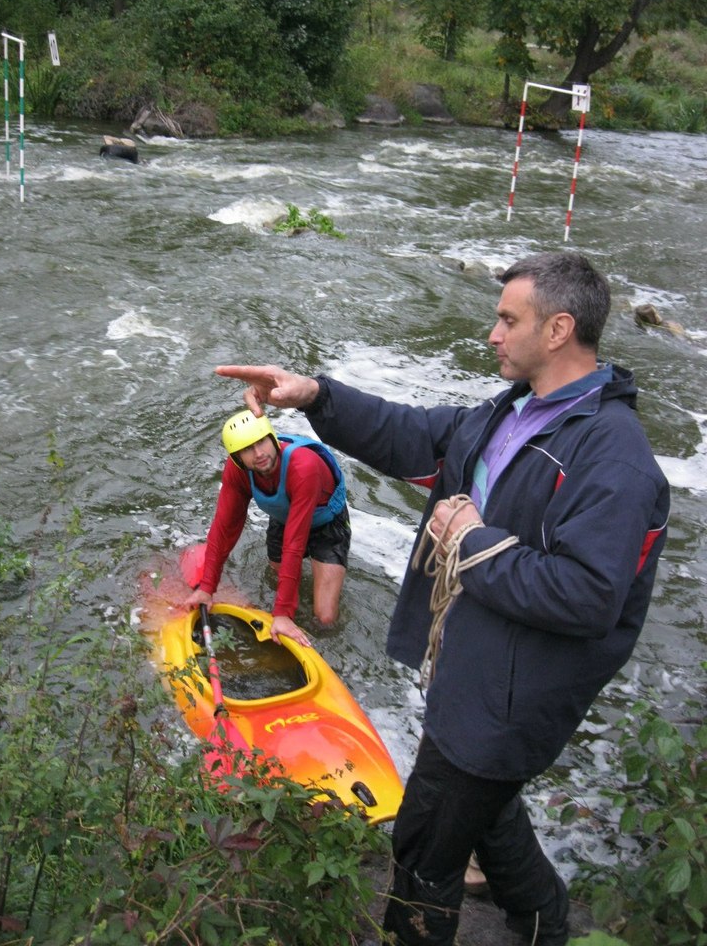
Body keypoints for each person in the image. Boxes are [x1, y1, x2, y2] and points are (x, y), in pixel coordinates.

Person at [212, 250, 670, 946]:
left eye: (507, 319)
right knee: (489, 815)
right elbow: (415, 434)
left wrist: (475, 543)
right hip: (474, 667)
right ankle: (546, 927)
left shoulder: (615, 458)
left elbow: (588, 597)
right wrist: (316, 396)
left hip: (507, 701)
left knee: (424, 844)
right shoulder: (514, 410)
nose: (493, 333)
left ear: (558, 331)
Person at [184, 409, 351, 647]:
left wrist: (282, 613)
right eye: (247, 449)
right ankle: (298, 597)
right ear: (237, 457)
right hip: (283, 518)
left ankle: (307, 611)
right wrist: (207, 587)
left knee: (324, 618)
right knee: (277, 575)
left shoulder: (304, 466)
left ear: (272, 438)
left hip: (327, 525)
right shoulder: (237, 472)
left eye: (261, 442)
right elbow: (223, 528)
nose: (259, 453)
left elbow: (295, 543)